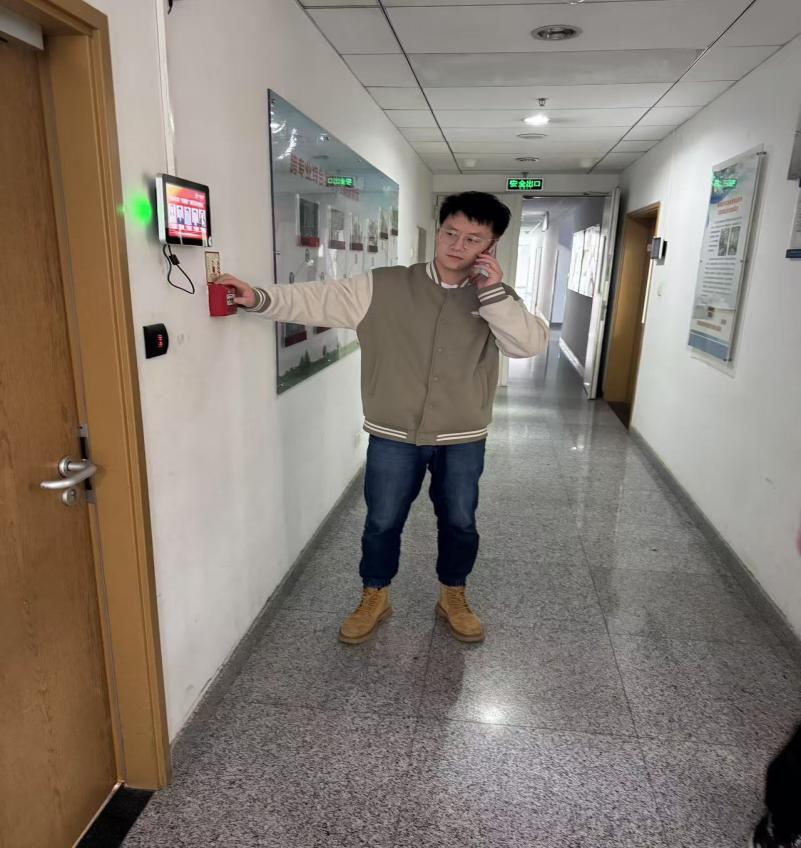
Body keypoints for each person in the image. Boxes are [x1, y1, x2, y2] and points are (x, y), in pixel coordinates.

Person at [219, 192, 549, 645]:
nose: (457, 245)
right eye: (450, 233)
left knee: (460, 522)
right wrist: (257, 297)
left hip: (463, 434)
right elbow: (317, 299)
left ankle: (453, 594)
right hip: (393, 433)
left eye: (473, 239)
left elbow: (527, 345)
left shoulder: (498, 299)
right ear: (439, 231)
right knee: (382, 520)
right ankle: (375, 595)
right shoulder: (386, 285)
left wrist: (491, 293)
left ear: (491, 247)